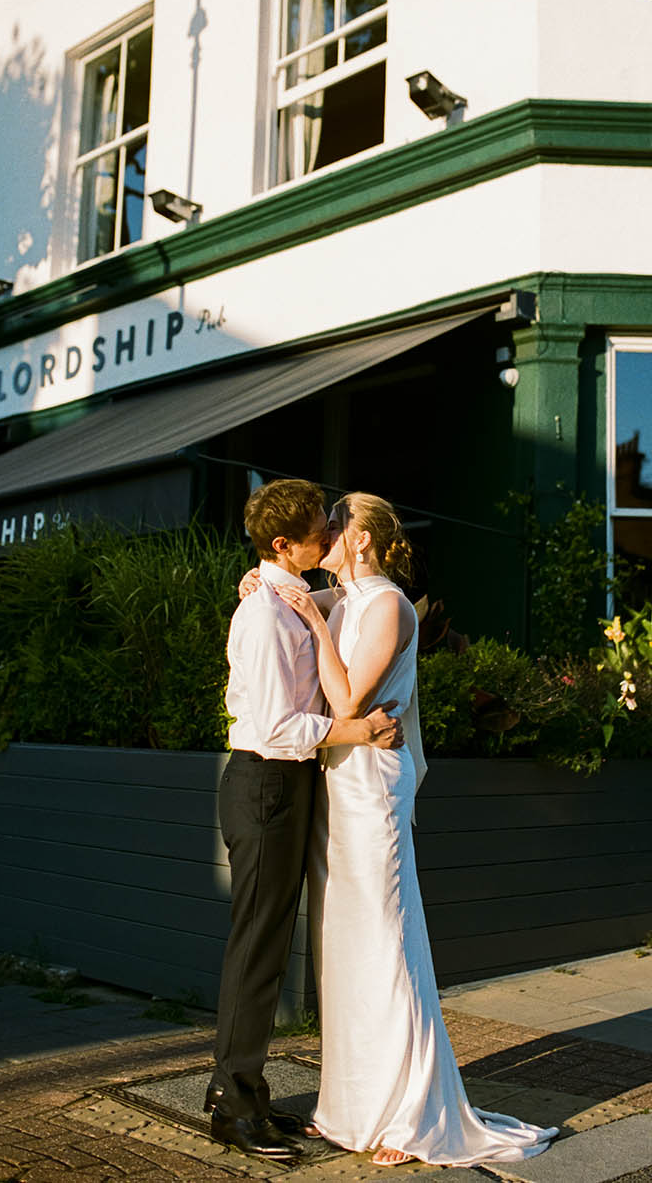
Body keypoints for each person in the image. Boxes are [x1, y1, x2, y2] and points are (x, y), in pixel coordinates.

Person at [252, 490, 558, 1168]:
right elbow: (275, 591)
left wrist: (310, 611)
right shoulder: (345, 598)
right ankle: (349, 1109)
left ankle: (409, 1113)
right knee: (346, 948)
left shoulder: (386, 603)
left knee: (388, 944)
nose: (324, 531)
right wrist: (271, 584)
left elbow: (347, 699)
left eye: (335, 523)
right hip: (339, 785)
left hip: (371, 793)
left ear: (361, 538)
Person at [205, 478, 404, 1162]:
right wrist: (357, 728)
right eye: (319, 531)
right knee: (256, 952)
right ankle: (233, 1105)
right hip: (266, 784)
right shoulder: (263, 615)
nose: (328, 538)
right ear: (285, 545)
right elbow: (277, 726)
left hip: (284, 788)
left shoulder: (287, 598)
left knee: (264, 948)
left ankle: (242, 1092)